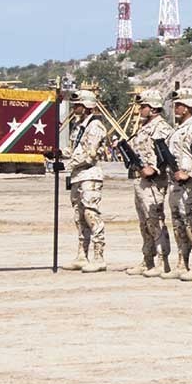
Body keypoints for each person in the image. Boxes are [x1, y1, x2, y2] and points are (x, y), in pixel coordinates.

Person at [125, 90, 173, 278]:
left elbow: (166, 155)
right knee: (144, 222)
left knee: (155, 219)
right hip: (140, 179)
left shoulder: (161, 128)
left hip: (153, 182)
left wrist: (154, 169)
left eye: (143, 106)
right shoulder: (144, 127)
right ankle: (148, 258)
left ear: (153, 108)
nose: (140, 110)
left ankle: (163, 260)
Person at [165, 88, 192, 282]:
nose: (177, 107)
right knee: (178, 225)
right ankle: (182, 262)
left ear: (189, 107)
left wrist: (189, 173)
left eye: (180, 104)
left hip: (191, 184)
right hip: (176, 184)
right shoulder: (179, 129)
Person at [60, 90, 107, 273]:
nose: (75, 107)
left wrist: (67, 165)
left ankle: (99, 257)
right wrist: (58, 154)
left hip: (89, 175)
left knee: (91, 214)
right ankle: (82, 255)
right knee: (79, 216)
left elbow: (90, 154)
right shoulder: (79, 126)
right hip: (78, 175)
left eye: (78, 104)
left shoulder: (95, 126)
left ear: (87, 106)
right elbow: (75, 150)